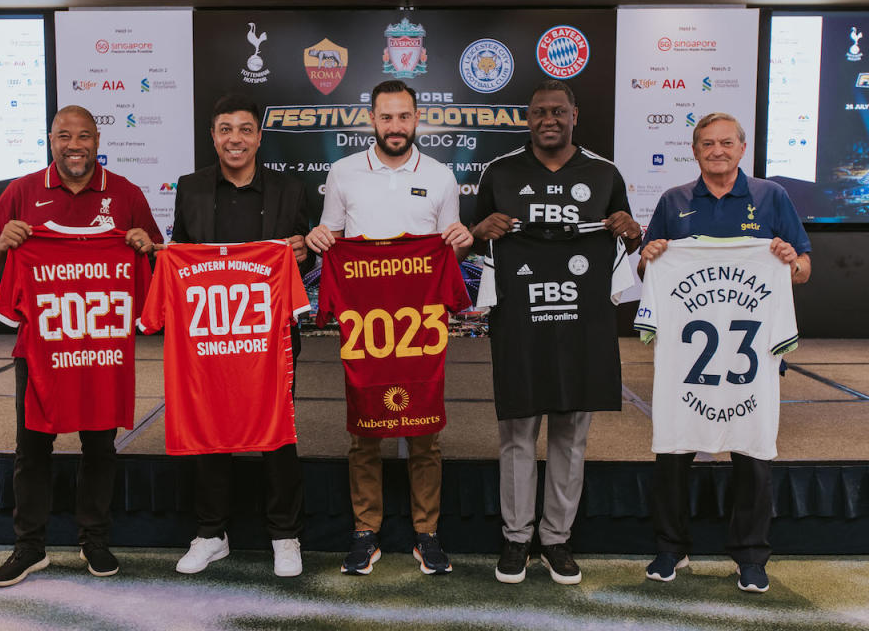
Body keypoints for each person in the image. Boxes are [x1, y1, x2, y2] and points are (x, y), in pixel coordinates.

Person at [0, 105, 161, 587]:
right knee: (32, 446)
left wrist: (145, 246)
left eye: (83, 136)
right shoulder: (22, 192)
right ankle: (29, 546)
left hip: (102, 348)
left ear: (98, 140)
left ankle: (94, 540)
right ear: (51, 140)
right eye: (64, 136)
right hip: (42, 348)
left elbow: (159, 262)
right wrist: (4, 244)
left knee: (99, 445)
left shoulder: (126, 194)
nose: (74, 144)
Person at [470, 79, 642, 585]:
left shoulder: (604, 173)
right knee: (518, 432)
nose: (549, 120)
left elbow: (627, 241)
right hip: (521, 321)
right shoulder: (499, 173)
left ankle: (557, 539)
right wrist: (482, 231)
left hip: (581, 322)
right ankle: (516, 537)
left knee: (571, 432)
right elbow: (472, 242)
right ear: (528, 118)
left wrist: (633, 232)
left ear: (575, 114)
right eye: (540, 112)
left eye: (558, 112)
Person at [638, 112, 811, 593]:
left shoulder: (771, 196)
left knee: (753, 452)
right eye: (707, 143)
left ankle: (751, 556)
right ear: (694, 151)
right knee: (673, 449)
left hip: (750, 356)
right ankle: (671, 548)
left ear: (742, 148)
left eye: (726, 142)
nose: (717, 150)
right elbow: (648, 267)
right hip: (686, 362)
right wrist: (648, 256)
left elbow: (803, 269)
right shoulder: (674, 200)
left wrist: (790, 262)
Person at [305, 79, 473, 575]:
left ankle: (427, 533)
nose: (395, 126)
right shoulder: (343, 173)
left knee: (425, 433)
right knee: (364, 430)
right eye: (386, 117)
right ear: (372, 120)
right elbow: (331, 239)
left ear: (417, 120)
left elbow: (450, 250)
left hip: (419, 322)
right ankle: (365, 532)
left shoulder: (442, 176)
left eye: (403, 117)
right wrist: (319, 236)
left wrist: (461, 242)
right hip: (366, 319)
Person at [168, 94, 311, 578]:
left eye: (245, 129)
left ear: (258, 136)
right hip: (209, 333)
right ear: (213, 135)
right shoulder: (189, 189)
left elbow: (305, 255)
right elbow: (180, 259)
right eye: (225, 128)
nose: (235, 138)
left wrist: (301, 251)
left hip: (271, 338)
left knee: (277, 432)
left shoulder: (290, 190)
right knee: (210, 429)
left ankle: (284, 535)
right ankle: (211, 533)